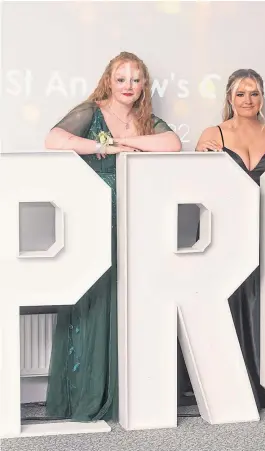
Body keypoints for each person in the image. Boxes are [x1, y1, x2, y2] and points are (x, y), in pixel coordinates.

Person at [44, 51, 181, 421]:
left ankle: (128, 393)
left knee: (131, 300)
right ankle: (86, 392)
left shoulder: (145, 119)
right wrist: (104, 147)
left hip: (136, 219)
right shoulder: (90, 110)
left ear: (144, 85)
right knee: (94, 300)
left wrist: (132, 144)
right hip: (95, 217)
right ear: (109, 80)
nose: (129, 86)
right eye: (122, 79)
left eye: (136, 80)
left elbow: (173, 144)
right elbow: (54, 139)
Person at [179, 68, 265, 409]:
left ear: (262, 98)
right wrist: (201, 157)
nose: (248, 100)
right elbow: (197, 186)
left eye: (254, 93)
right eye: (241, 94)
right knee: (225, 302)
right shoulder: (213, 134)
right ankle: (222, 382)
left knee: (264, 301)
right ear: (229, 99)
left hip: (264, 230)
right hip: (223, 232)